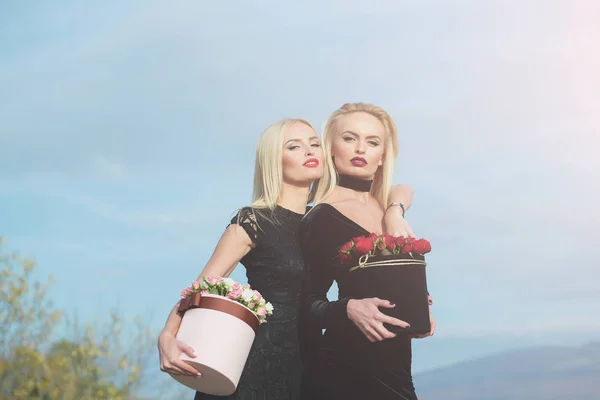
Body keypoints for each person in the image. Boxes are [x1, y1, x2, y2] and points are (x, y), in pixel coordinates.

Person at [158, 118, 417, 399]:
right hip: (252, 361)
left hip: (310, 365)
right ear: (274, 160)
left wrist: (395, 209)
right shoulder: (253, 220)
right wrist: (168, 336)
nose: (309, 152)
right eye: (294, 146)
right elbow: (201, 287)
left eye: (314, 144)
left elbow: (397, 190)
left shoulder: (325, 220)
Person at [299, 102, 435, 400]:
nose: (360, 149)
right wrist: (348, 307)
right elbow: (305, 302)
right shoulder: (320, 217)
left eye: (372, 142)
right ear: (330, 148)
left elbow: (404, 190)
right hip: (345, 369)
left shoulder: (387, 207)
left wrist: (416, 304)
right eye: (349, 139)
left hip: (395, 366)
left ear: (383, 155)